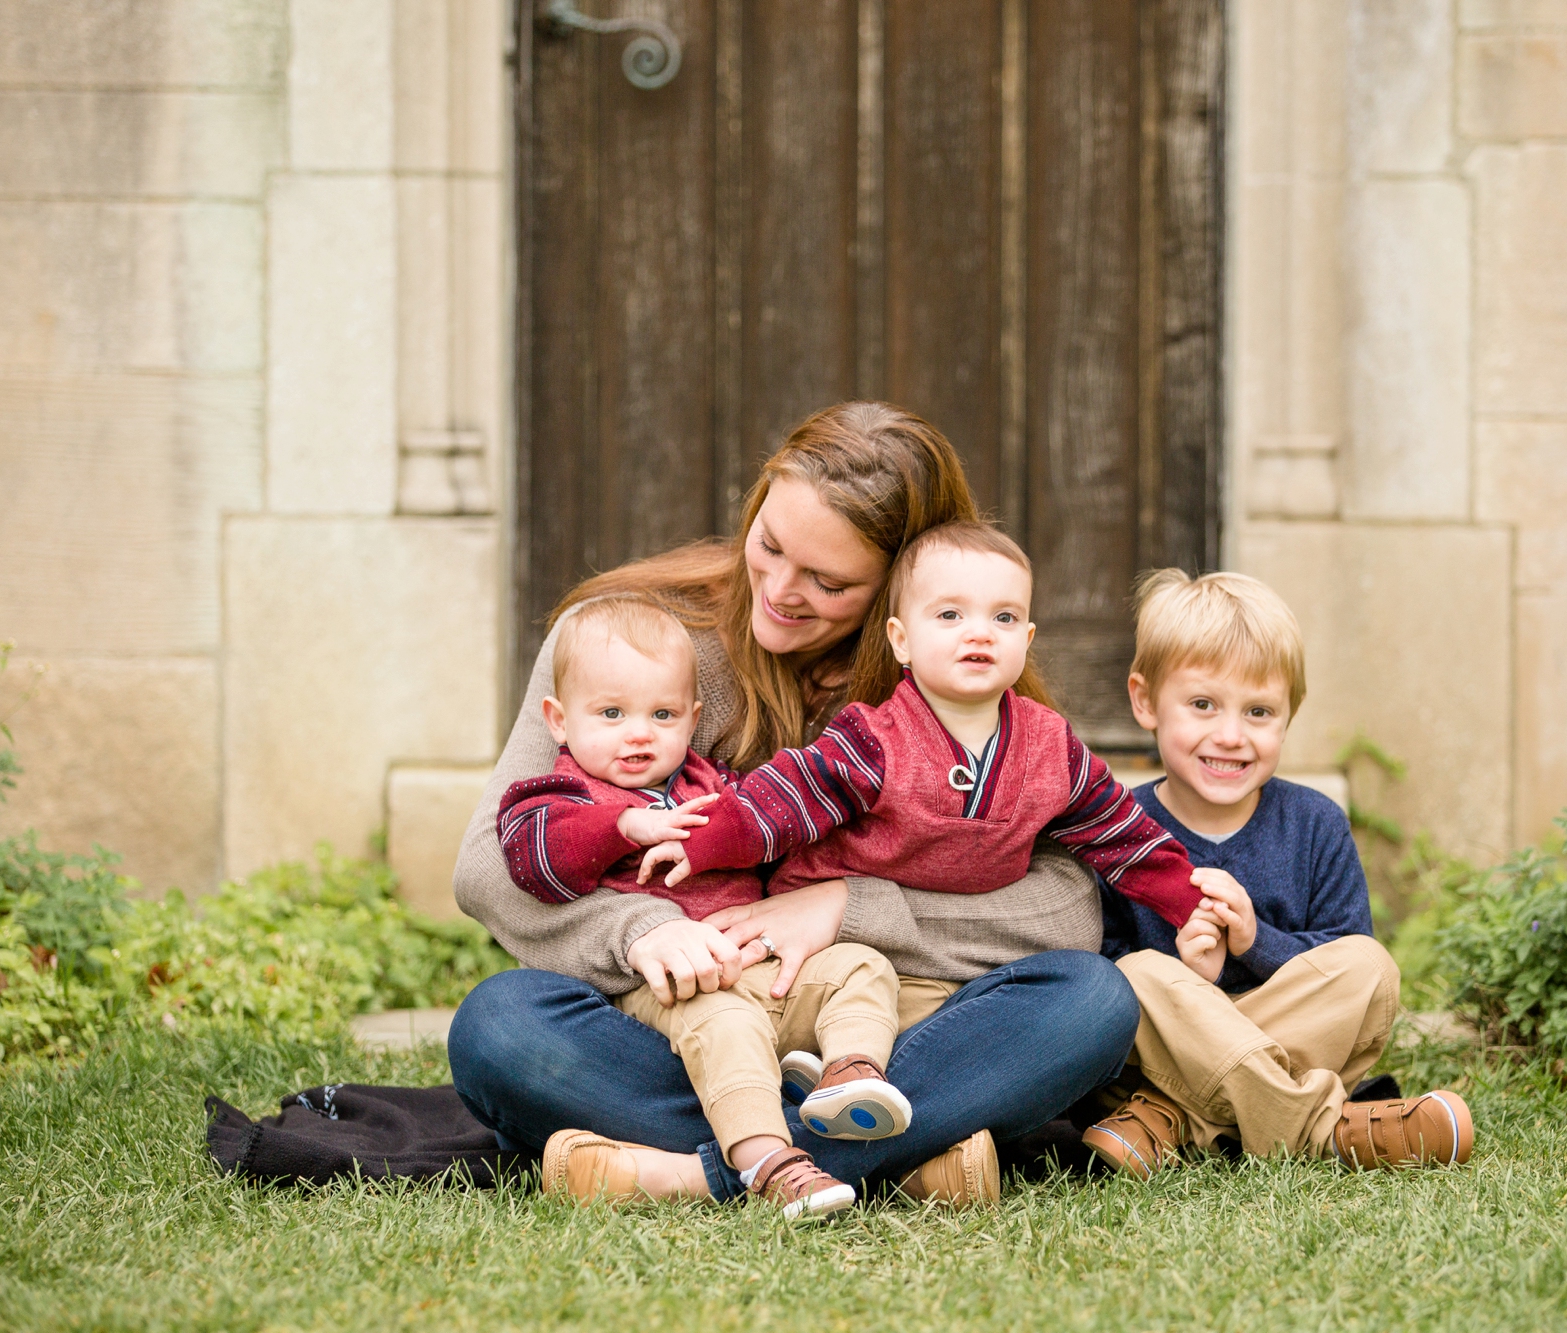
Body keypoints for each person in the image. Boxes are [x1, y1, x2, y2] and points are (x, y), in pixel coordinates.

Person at [447, 402, 1140, 1209]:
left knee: (1090, 1000)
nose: (779, 589)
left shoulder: (955, 673)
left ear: (901, 594)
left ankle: (708, 1171)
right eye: (770, 545)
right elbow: (487, 869)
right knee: (499, 1024)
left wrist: (848, 906)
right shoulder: (624, 643)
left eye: (828, 581)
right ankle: (892, 1156)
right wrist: (645, 932)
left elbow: (1066, 906)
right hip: (678, 1022)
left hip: (872, 1030)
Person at [496, 595, 909, 1218]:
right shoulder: (558, 795)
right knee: (723, 1023)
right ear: (559, 719)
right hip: (671, 990)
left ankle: (848, 1078)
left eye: (661, 714)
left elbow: (773, 828)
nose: (638, 732)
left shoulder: (715, 786)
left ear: (692, 720)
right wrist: (622, 826)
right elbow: (533, 856)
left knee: (859, 965)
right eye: (610, 713)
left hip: (760, 971)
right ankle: (771, 1162)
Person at [1077, 570, 1475, 1174]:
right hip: (1167, 1045)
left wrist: (1256, 941)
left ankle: (1177, 1117)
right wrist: (1189, 973)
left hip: (1277, 1030)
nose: (1231, 736)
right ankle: (1324, 1131)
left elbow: (1340, 950)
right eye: (1203, 704)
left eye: (1259, 711)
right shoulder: (1118, 825)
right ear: (1145, 700)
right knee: (1133, 974)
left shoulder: (1315, 823)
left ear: (1290, 715)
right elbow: (1099, 972)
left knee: (1369, 967)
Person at [641, 520, 1207, 937]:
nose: (980, 633)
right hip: (833, 940)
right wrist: (706, 839)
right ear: (900, 640)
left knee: (1090, 995)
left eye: (1003, 617)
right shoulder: (874, 739)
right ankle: (841, 1075)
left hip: (952, 951)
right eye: (950, 615)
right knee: (855, 988)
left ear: (1026, 642)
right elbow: (785, 796)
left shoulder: (1051, 748)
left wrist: (1188, 899)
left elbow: (1122, 833)